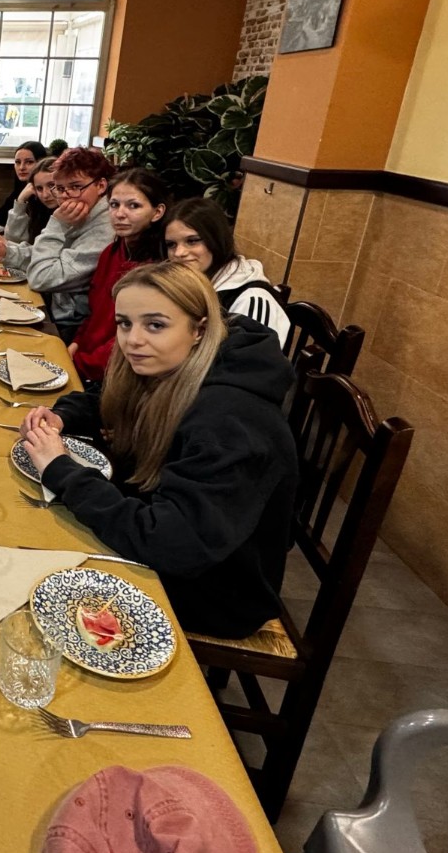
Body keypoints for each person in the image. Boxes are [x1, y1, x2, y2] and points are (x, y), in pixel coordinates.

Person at [18, 261, 297, 639]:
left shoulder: (229, 422)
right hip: (166, 526)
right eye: (124, 323)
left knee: (34, 585)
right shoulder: (174, 363)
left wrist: (61, 469)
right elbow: (108, 399)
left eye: (155, 325)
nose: (133, 340)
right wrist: (64, 415)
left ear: (199, 330)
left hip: (216, 588)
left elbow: (171, 543)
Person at [0, 147, 116, 338]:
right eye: (60, 188)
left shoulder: (106, 227)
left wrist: (57, 224)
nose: (66, 195)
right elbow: (51, 258)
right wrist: (8, 253)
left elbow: (42, 277)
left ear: (101, 185)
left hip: (71, 326)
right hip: (57, 310)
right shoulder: (84, 210)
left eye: (76, 186)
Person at [69, 167, 168, 382]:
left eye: (133, 206)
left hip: (119, 375)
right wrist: (76, 344)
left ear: (157, 212)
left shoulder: (157, 268)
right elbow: (94, 314)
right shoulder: (110, 253)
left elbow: (131, 340)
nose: (120, 214)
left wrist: (77, 364)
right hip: (84, 360)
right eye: (114, 205)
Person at [163, 197, 291, 346]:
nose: (179, 253)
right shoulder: (190, 283)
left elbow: (252, 359)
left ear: (216, 240)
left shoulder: (250, 298)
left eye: (192, 241)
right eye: (171, 244)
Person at [2, 156, 59, 245]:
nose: (45, 195)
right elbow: (12, 240)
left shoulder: (72, 215)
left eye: (51, 185)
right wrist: (20, 201)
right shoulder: (39, 210)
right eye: (39, 188)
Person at [0, 140, 47, 225]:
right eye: (18, 162)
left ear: (41, 163)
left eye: (29, 162)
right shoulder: (21, 186)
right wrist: (20, 199)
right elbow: (1, 218)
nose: (21, 167)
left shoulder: (46, 193)